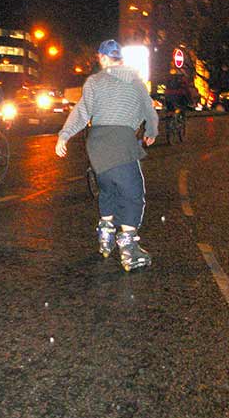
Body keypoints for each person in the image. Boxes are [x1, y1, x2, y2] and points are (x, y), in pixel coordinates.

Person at [55, 39, 159, 271]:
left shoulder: (94, 82)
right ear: (120, 58)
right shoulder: (136, 81)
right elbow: (149, 112)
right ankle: (130, 250)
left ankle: (106, 232)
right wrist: (151, 132)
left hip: (97, 143)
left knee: (109, 187)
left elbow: (82, 111)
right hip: (121, 140)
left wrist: (64, 135)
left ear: (103, 58)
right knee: (133, 193)